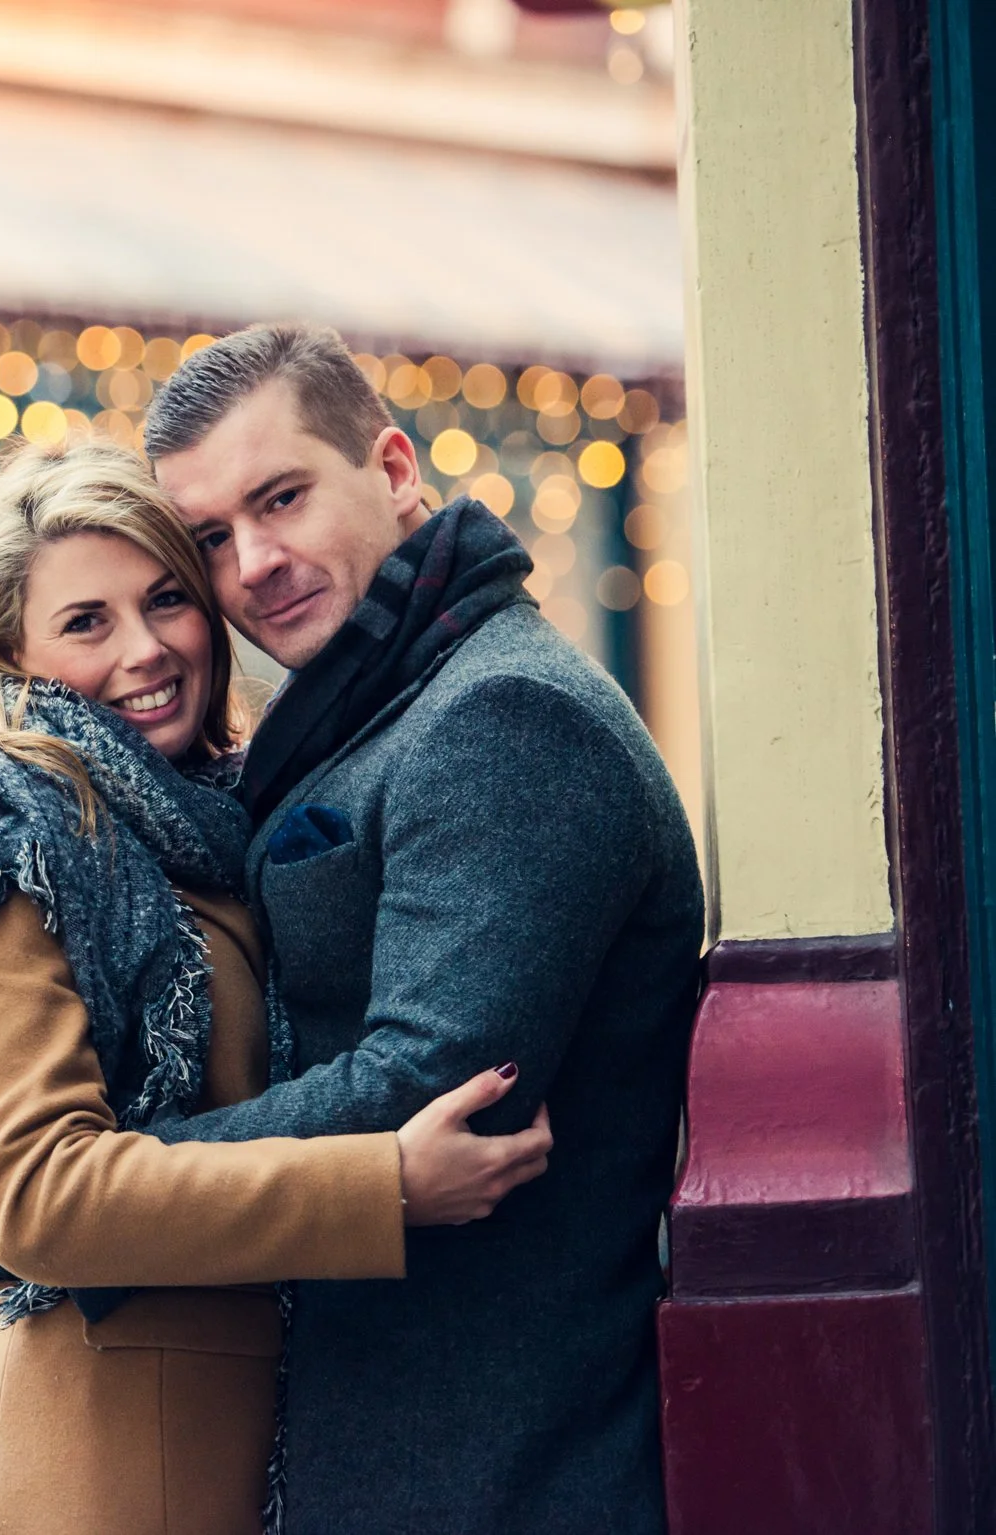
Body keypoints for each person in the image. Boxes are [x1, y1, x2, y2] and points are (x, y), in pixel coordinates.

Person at [0, 436, 553, 1535]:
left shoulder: (202, 820)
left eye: (165, 599)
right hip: (104, 1466)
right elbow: (37, 1197)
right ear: (9, 651)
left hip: (236, 1446)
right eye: (85, 622)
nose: (144, 648)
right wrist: (385, 1184)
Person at [139, 323, 702, 1534]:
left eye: (280, 498)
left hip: (492, 1466)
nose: (255, 563)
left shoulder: (504, 712)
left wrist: (104, 1184)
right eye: (211, 538)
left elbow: (433, 1080)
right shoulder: (370, 706)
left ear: (391, 468)